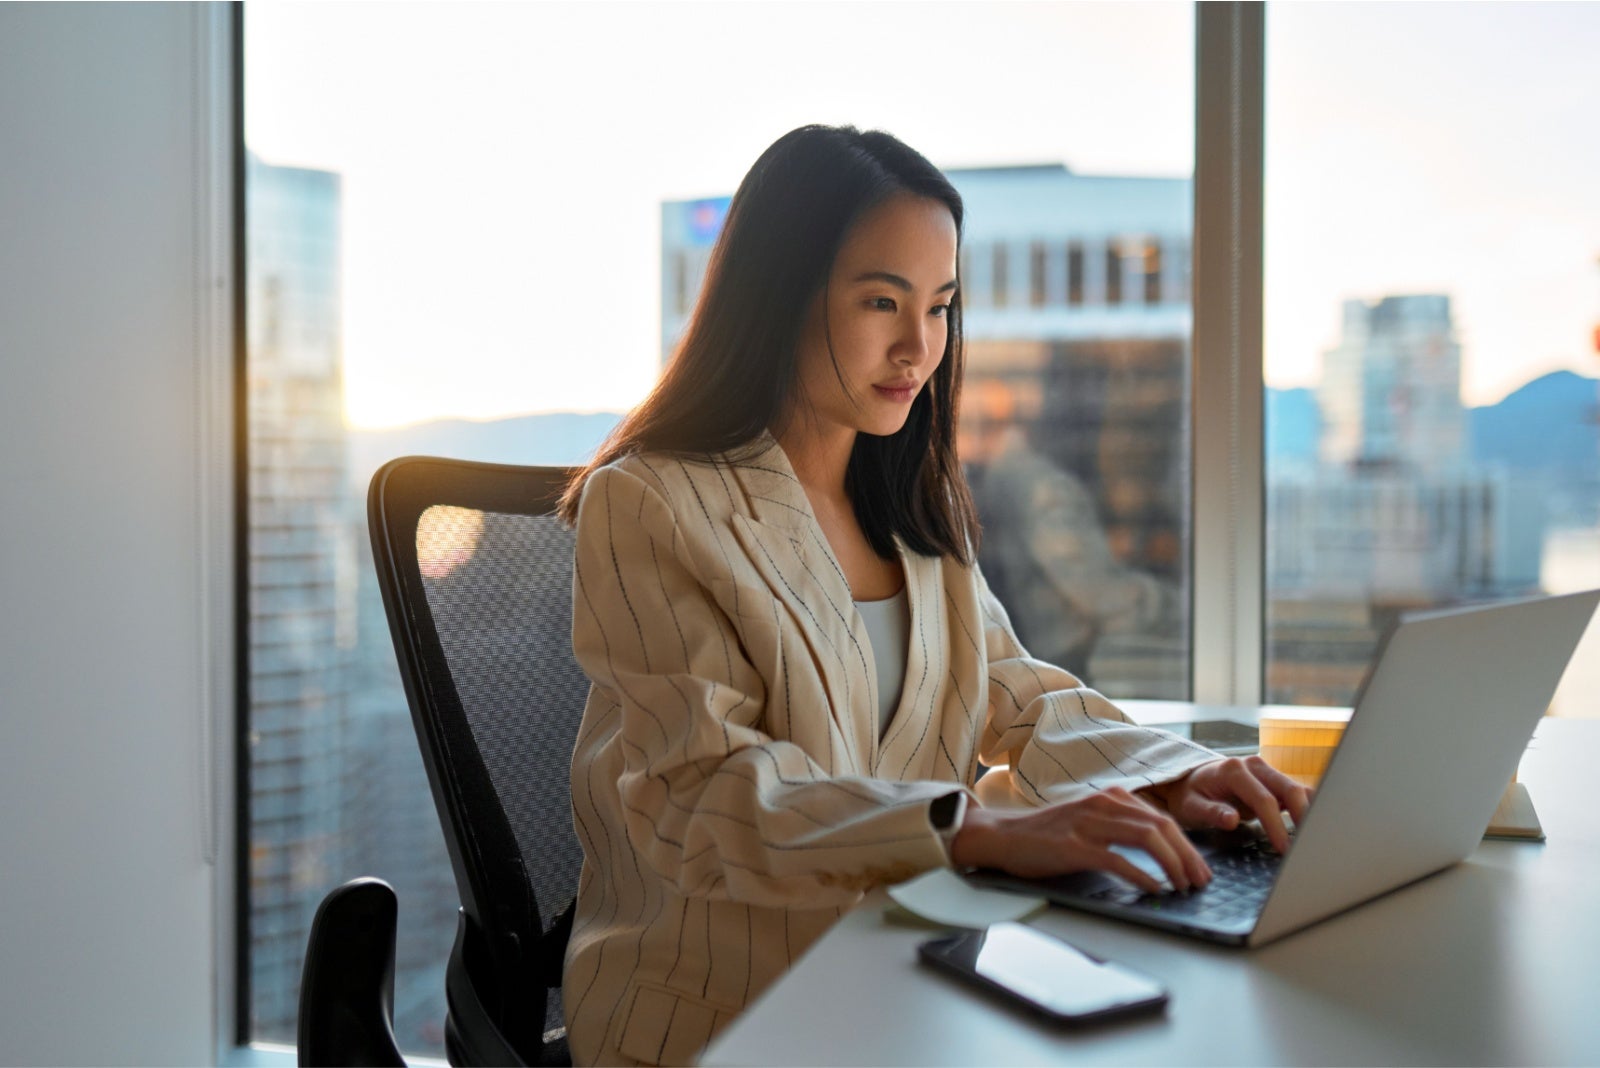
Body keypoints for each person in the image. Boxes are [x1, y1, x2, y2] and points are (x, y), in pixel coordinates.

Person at [556, 124, 1308, 1067]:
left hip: (911, 991)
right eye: (882, 301)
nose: (919, 346)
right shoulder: (653, 501)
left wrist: (1175, 772)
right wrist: (972, 831)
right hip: (724, 1019)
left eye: (941, 306)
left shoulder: (908, 500)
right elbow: (702, 799)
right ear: (781, 294)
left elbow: (1010, 691)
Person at [959, 376, 1179, 685]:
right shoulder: (1038, 486)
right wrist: (1179, 609)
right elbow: (1100, 594)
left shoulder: (1003, 480)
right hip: (1057, 667)